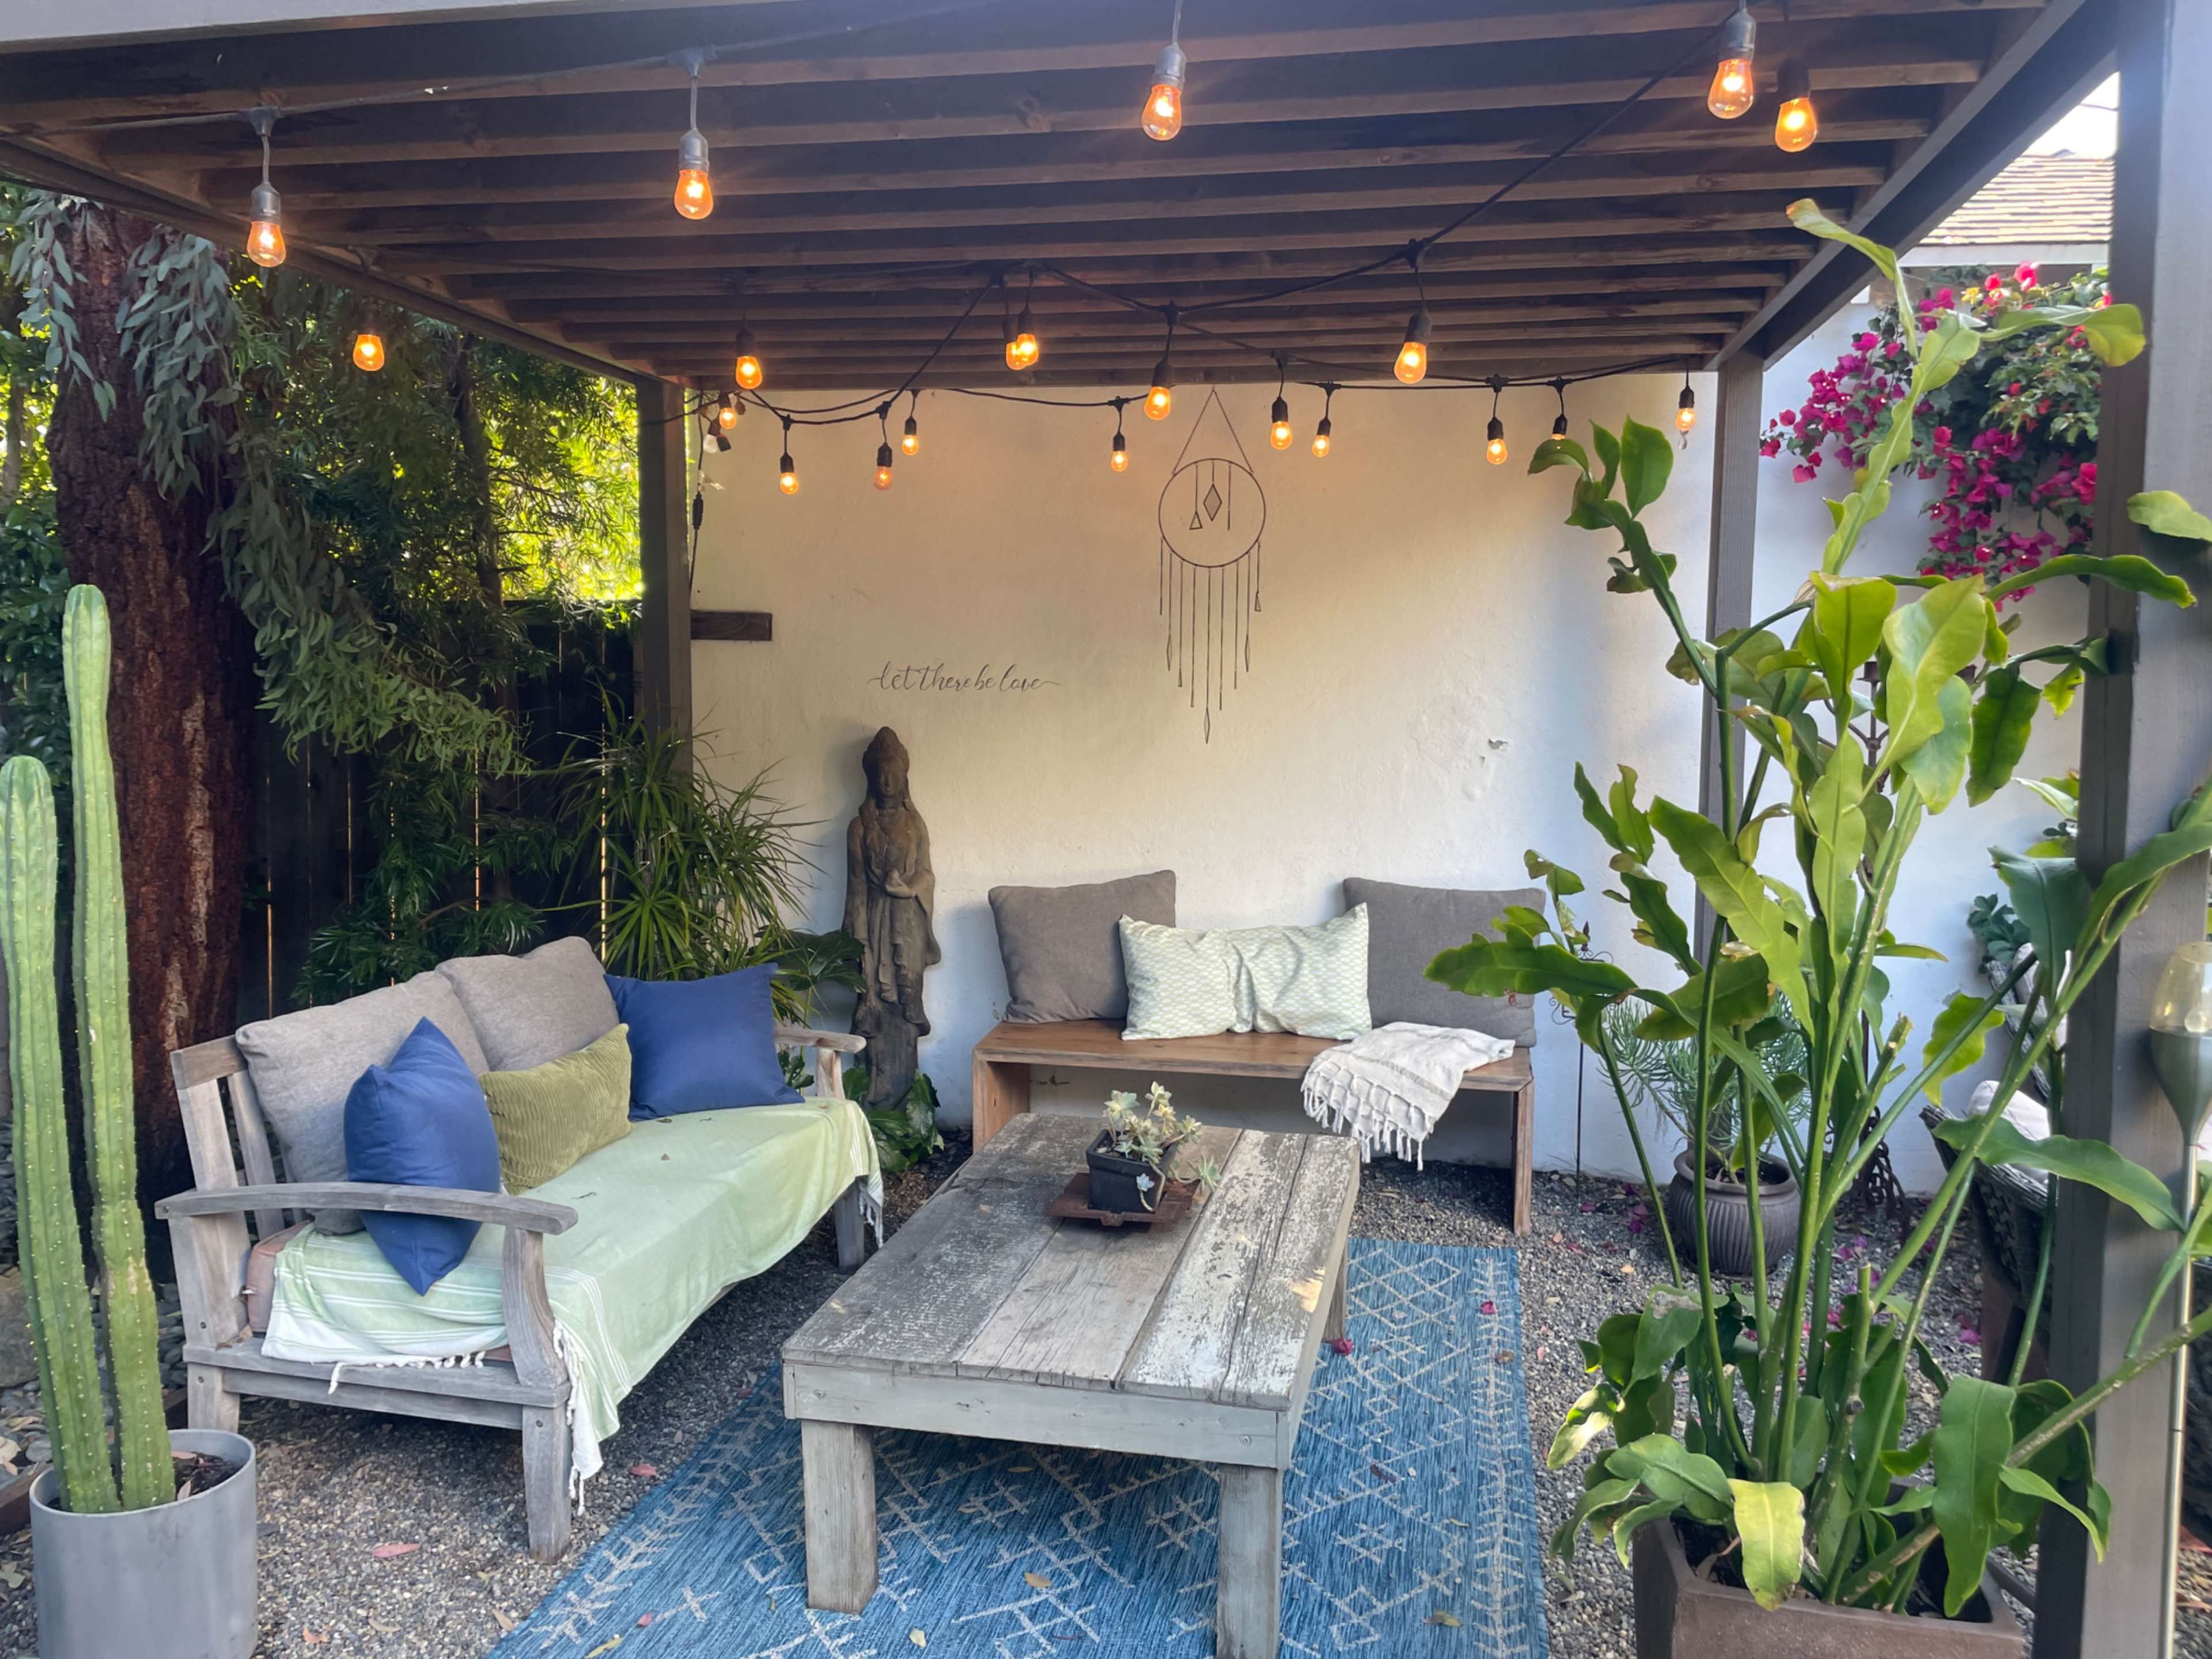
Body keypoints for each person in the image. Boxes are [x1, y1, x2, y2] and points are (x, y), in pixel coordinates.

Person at [843, 726, 940, 1110]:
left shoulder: (914, 824)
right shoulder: (859, 826)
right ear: (870, 777)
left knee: (904, 999)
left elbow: (927, 874)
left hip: (908, 923)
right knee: (874, 1001)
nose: (887, 780)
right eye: (880, 773)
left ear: (904, 775)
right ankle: (873, 1099)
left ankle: (902, 1097)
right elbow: (855, 887)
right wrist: (858, 939)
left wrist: (909, 888)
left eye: (893, 772)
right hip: (874, 921)